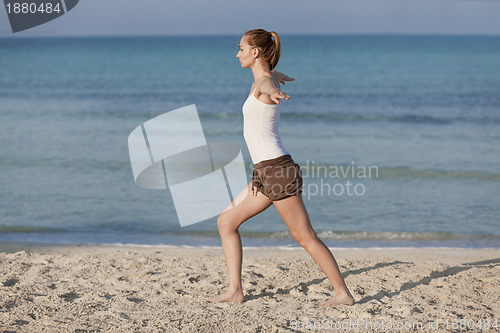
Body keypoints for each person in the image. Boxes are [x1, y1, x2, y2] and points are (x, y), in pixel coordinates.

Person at [208, 29, 355, 307]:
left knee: (304, 235)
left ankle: (342, 294)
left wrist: (275, 90)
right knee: (226, 222)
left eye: (241, 48)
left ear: (255, 52)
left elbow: (268, 85)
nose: (236, 54)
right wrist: (279, 78)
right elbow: (273, 77)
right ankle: (235, 291)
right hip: (265, 174)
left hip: (277, 171)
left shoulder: (264, 83)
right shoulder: (266, 78)